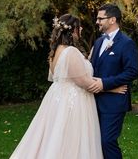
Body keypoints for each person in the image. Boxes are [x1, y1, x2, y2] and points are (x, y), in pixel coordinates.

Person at [10, 14, 127, 159]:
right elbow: (85, 82)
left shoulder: (54, 51)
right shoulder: (70, 52)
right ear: (72, 31)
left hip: (57, 99)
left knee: (56, 136)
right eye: (79, 27)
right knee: (72, 138)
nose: (81, 29)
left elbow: (62, 76)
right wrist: (112, 88)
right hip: (74, 102)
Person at [89, 3, 138, 159]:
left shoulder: (126, 43)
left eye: (100, 18)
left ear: (112, 20)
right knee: (94, 143)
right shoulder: (98, 42)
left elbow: (132, 72)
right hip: (93, 101)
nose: (97, 21)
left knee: (107, 141)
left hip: (114, 103)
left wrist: (105, 84)